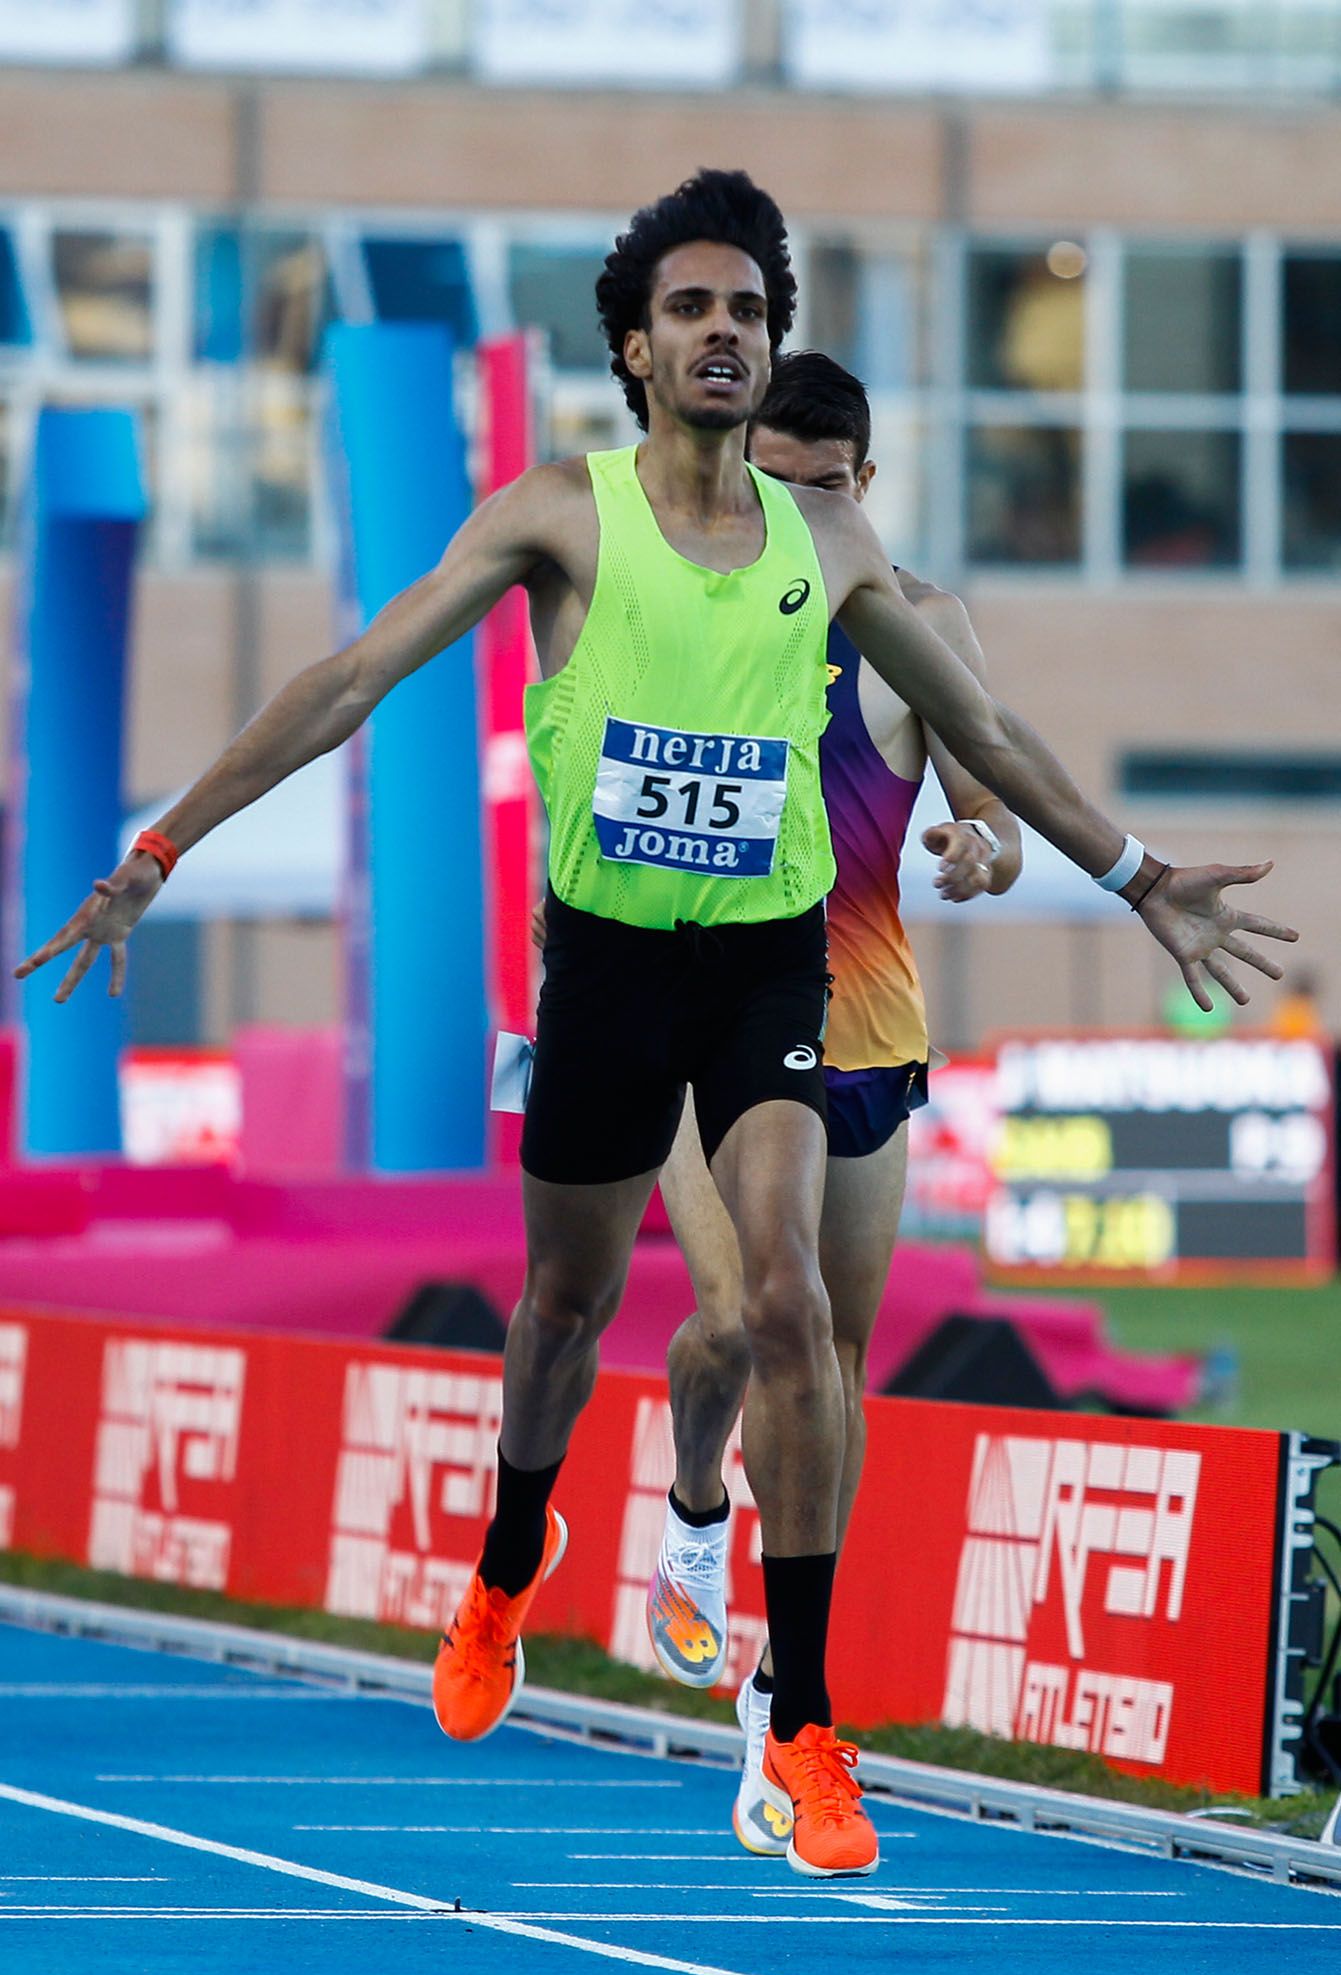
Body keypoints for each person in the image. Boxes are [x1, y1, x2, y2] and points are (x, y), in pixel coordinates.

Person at [14, 169, 1296, 1883]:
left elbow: (982, 722)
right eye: (691, 311)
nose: (723, 335)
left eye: (748, 313)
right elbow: (347, 681)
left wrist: (1132, 874)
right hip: (608, 971)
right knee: (565, 1307)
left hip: (767, 974)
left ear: (772, 351)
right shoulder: (561, 514)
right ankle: (505, 1561)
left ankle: (812, 1725)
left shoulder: (830, 548)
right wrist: (159, 847)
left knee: (784, 1308)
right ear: (633, 348)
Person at [638, 349, 1022, 1858]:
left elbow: (988, 802)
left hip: (863, 1027)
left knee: (833, 1363)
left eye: (815, 489)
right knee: (745, 1322)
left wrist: (983, 853)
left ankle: (782, 1702)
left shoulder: (924, 623)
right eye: (766, 485)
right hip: (699, 1028)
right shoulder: (690, 603)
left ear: (862, 482)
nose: (787, 512)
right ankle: (687, 1514)